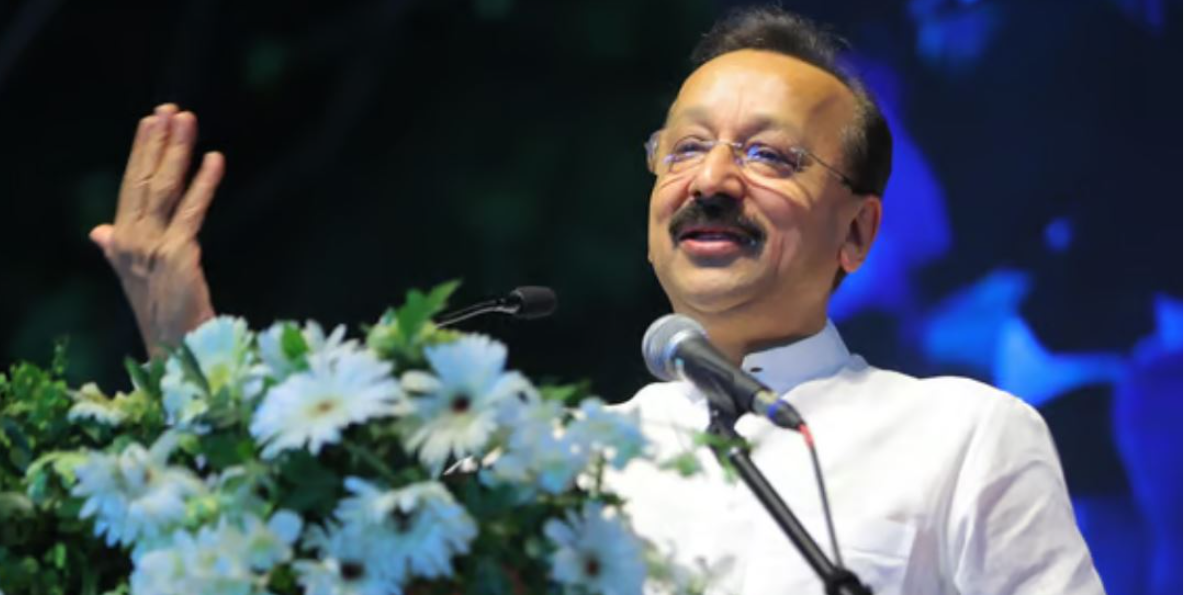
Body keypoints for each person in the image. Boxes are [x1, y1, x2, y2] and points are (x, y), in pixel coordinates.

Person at [91, 6, 1104, 594]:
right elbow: (303, 559)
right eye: (686, 147)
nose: (712, 179)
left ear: (857, 233)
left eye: (768, 155)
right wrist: (185, 341)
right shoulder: (541, 466)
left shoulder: (964, 435)